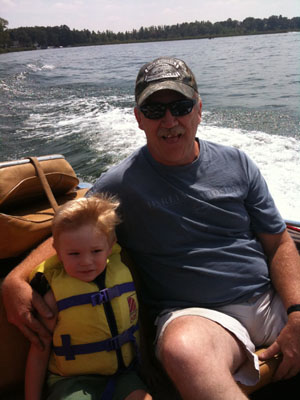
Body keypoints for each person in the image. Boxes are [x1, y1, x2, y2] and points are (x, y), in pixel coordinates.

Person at [2, 57, 300, 400]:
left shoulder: (238, 164)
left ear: (199, 110)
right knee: (184, 350)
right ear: (139, 118)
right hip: (200, 318)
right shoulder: (121, 184)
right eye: (155, 110)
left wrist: (296, 311)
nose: (170, 120)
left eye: (181, 106)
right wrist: (16, 278)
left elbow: (278, 242)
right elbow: (70, 228)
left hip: (268, 298)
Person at [24, 195, 152, 400]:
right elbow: (40, 350)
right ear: (57, 251)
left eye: (96, 251)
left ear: (110, 247)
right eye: (74, 254)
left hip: (123, 375)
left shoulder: (124, 273)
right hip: (72, 381)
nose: (86, 261)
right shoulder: (54, 296)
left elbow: (136, 325)